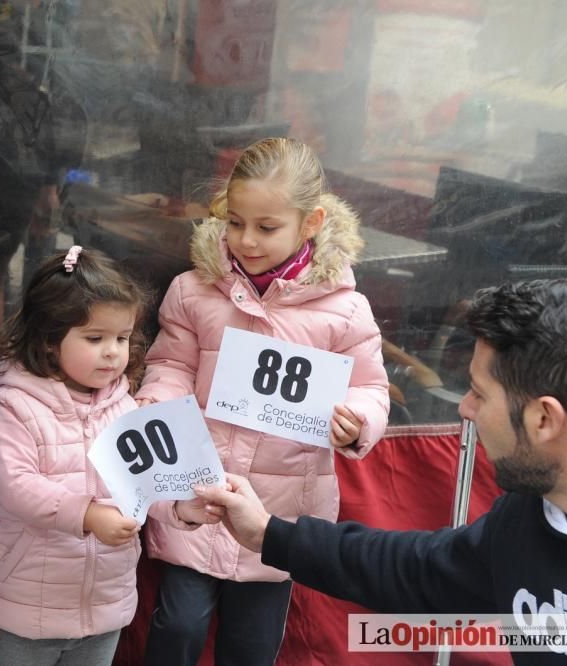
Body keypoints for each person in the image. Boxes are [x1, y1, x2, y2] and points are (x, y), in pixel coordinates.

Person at [194, 278, 567, 665]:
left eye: (479, 393)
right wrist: (268, 533)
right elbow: (418, 569)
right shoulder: (525, 518)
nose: (465, 409)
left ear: (544, 419)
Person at [135, 137, 390, 665]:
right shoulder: (192, 290)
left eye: (267, 227)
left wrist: (357, 421)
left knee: (252, 645)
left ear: (312, 222)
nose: (247, 240)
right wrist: (158, 406)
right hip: (197, 491)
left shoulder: (346, 310)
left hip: (281, 516)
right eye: (235, 222)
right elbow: (169, 365)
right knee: (176, 628)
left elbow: (371, 388)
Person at [0, 246, 217, 666]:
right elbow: (15, 487)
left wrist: (184, 505)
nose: (113, 352)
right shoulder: (18, 406)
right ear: (50, 341)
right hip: (28, 601)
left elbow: (145, 483)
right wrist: (88, 515)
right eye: (95, 338)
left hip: (106, 601)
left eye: (122, 338)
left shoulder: (126, 407)